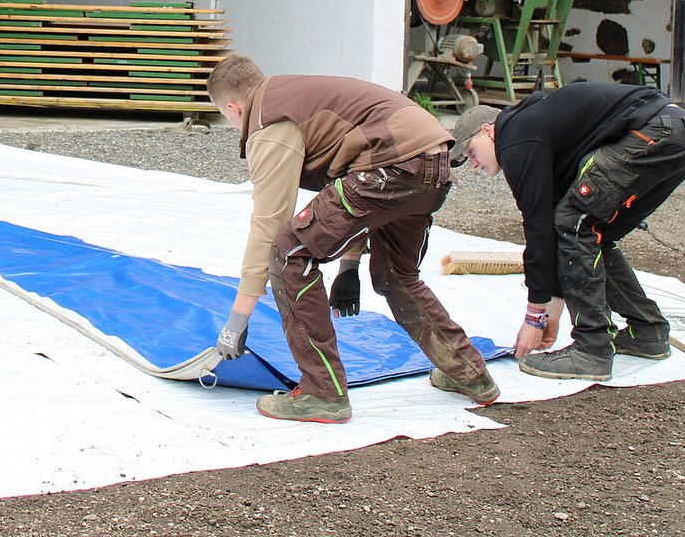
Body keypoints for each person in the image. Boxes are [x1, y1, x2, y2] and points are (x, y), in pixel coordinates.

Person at [205, 53, 496, 423]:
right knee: (396, 276)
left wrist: (237, 320)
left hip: (391, 166)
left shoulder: (270, 119)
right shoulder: (301, 97)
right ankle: (471, 374)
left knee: (289, 254)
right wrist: (349, 267)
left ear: (233, 109)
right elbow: (353, 177)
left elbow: (270, 225)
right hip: (430, 163)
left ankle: (322, 392)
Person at [450, 81, 685, 381]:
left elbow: (538, 228)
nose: (473, 165)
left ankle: (592, 350)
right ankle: (647, 332)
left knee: (573, 223)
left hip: (653, 132)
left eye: (471, 152)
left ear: (488, 131)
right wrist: (553, 310)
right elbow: (556, 231)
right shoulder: (537, 128)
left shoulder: (515, 138)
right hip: (681, 135)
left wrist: (535, 316)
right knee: (594, 233)